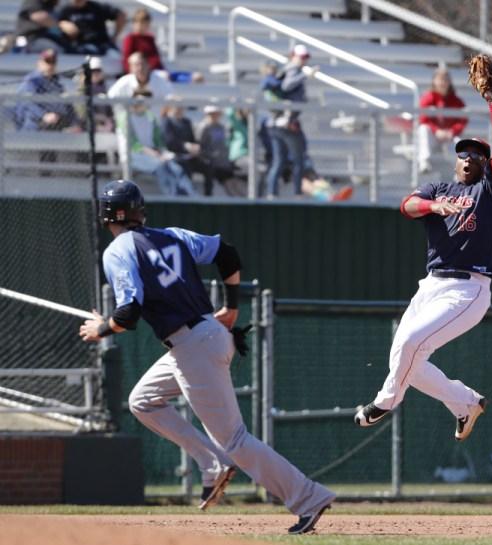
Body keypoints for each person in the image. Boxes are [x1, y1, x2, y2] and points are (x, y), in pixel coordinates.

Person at [79, 180, 335, 533]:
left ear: (105, 214)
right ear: (140, 209)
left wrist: (100, 328)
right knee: (143, 401)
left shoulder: (117, 251)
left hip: (193, 344)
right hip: (205, 336)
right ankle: (211, 462)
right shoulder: (171, 235)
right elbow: (226, 252)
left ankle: (308, 498)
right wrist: (231, 306)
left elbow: (128, 313)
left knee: (235, 439)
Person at [353, 78, 492, 442]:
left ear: (484, 164)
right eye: (464, 153)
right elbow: (407, 206)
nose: (470, 157)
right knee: (406, 357)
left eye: (477, 154)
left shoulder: (489, 191)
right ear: (455, 161)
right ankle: (465, 402)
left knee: (409, 342)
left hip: (468, 288)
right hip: (431, 284)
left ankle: (385, 401)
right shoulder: (437, 189)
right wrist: (432, 206)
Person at [115, 86, 197, 196]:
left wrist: (163, 152)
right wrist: (156, 155)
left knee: (176, 168)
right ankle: (174, 199)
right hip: (134, 156)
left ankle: (193, 198)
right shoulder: (125, 117)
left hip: (152, 154)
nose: (150, 103)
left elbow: (158, 141)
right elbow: (134, 145)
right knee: (160, 166)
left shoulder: (150, 116)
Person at [265, 44, 317, 199]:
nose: (304, 60)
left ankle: (272, 193)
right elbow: (287, 86)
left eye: (306, 57)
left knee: (280, 160)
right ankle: (297, 193)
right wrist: (306, 75)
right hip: (286, 123)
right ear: (293, 55)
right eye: (302, 57)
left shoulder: (286, 70)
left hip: (277, 123)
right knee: (299, 158)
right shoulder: (293, 70)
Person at [120, 7, 203, 84]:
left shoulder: (150, 39)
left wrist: (160, 71)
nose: (143, 27)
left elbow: (156, 59)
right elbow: (127, 60)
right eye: (141, 23)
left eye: (146, 24)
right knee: (164, 76)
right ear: (135, 23)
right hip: (147, 74)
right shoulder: (130, 39)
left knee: (196, 76)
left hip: (157, 71)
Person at [15, 48, 81, 133]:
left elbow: (67, 105)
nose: (50, 65)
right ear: (39, 63)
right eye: (47, 62)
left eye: (53, 62)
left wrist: (75, 122)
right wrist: (44, 115)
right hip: (34, 129)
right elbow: (28, 103)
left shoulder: (57, 84)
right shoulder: (32, 81)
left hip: (54, 127)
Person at [417, 68, 468, 174]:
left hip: (449, 137)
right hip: (434, 137)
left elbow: (463, 120)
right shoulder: (428, 97)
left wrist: (452, 132)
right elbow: (423, 120)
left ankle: (460, 173)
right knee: (423, 129)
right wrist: (436, 131)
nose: (443, 82)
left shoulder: (456, 101)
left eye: (446, 79)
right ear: (434, 81)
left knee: (460, 142)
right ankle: (424, 163)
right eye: (440, 79)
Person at [196, 105, 246, 197]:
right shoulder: (204, 127)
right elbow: (200, 146)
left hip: (224, 162)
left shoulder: (221, 127)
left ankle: (245, 203)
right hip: (213, 162)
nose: (215, 116)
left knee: (236, 183)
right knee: (229, 183)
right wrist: (210, 155)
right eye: (213, 114)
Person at [108, 52, 174, 115]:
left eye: (143, 64)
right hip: (129, 124)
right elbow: (110, 99)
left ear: (149, 65)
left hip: (154, 124)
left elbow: (172, 100)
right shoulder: (124, 82)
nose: (140, 68)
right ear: (131, 67)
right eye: (136, 65)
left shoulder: (160, 81)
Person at [58, 0, 125, 56]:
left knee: (117, 59)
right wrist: (62, 24)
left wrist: (114, 37)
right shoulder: (65, 11)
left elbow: (121, 14)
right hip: (80, 47)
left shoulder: (97, 7)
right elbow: (51, 20)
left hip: (102, 45)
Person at [75, 56, 114, 133]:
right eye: (93, 71)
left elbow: (111, 110)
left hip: (107, 125)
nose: (95, 73)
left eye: (98, 70)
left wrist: (109, 120)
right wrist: (99, 120)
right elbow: (82, 112)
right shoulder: (82, 89)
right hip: (89, 126)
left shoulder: (107, 89)